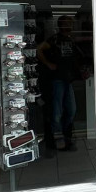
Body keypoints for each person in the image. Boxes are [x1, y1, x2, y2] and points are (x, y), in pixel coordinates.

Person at [37, 16, 84, 151]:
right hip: (57, 80)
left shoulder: (70, 40)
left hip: (67, 81)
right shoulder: (55, 39)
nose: (69, 26)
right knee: (56, 113)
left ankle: (65, 137)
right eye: (67, 23)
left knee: (71, 110)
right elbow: (39, 49)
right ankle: (56, 140)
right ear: (60, 25)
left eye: (70, 23)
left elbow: (75, 59)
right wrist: (48, 63)